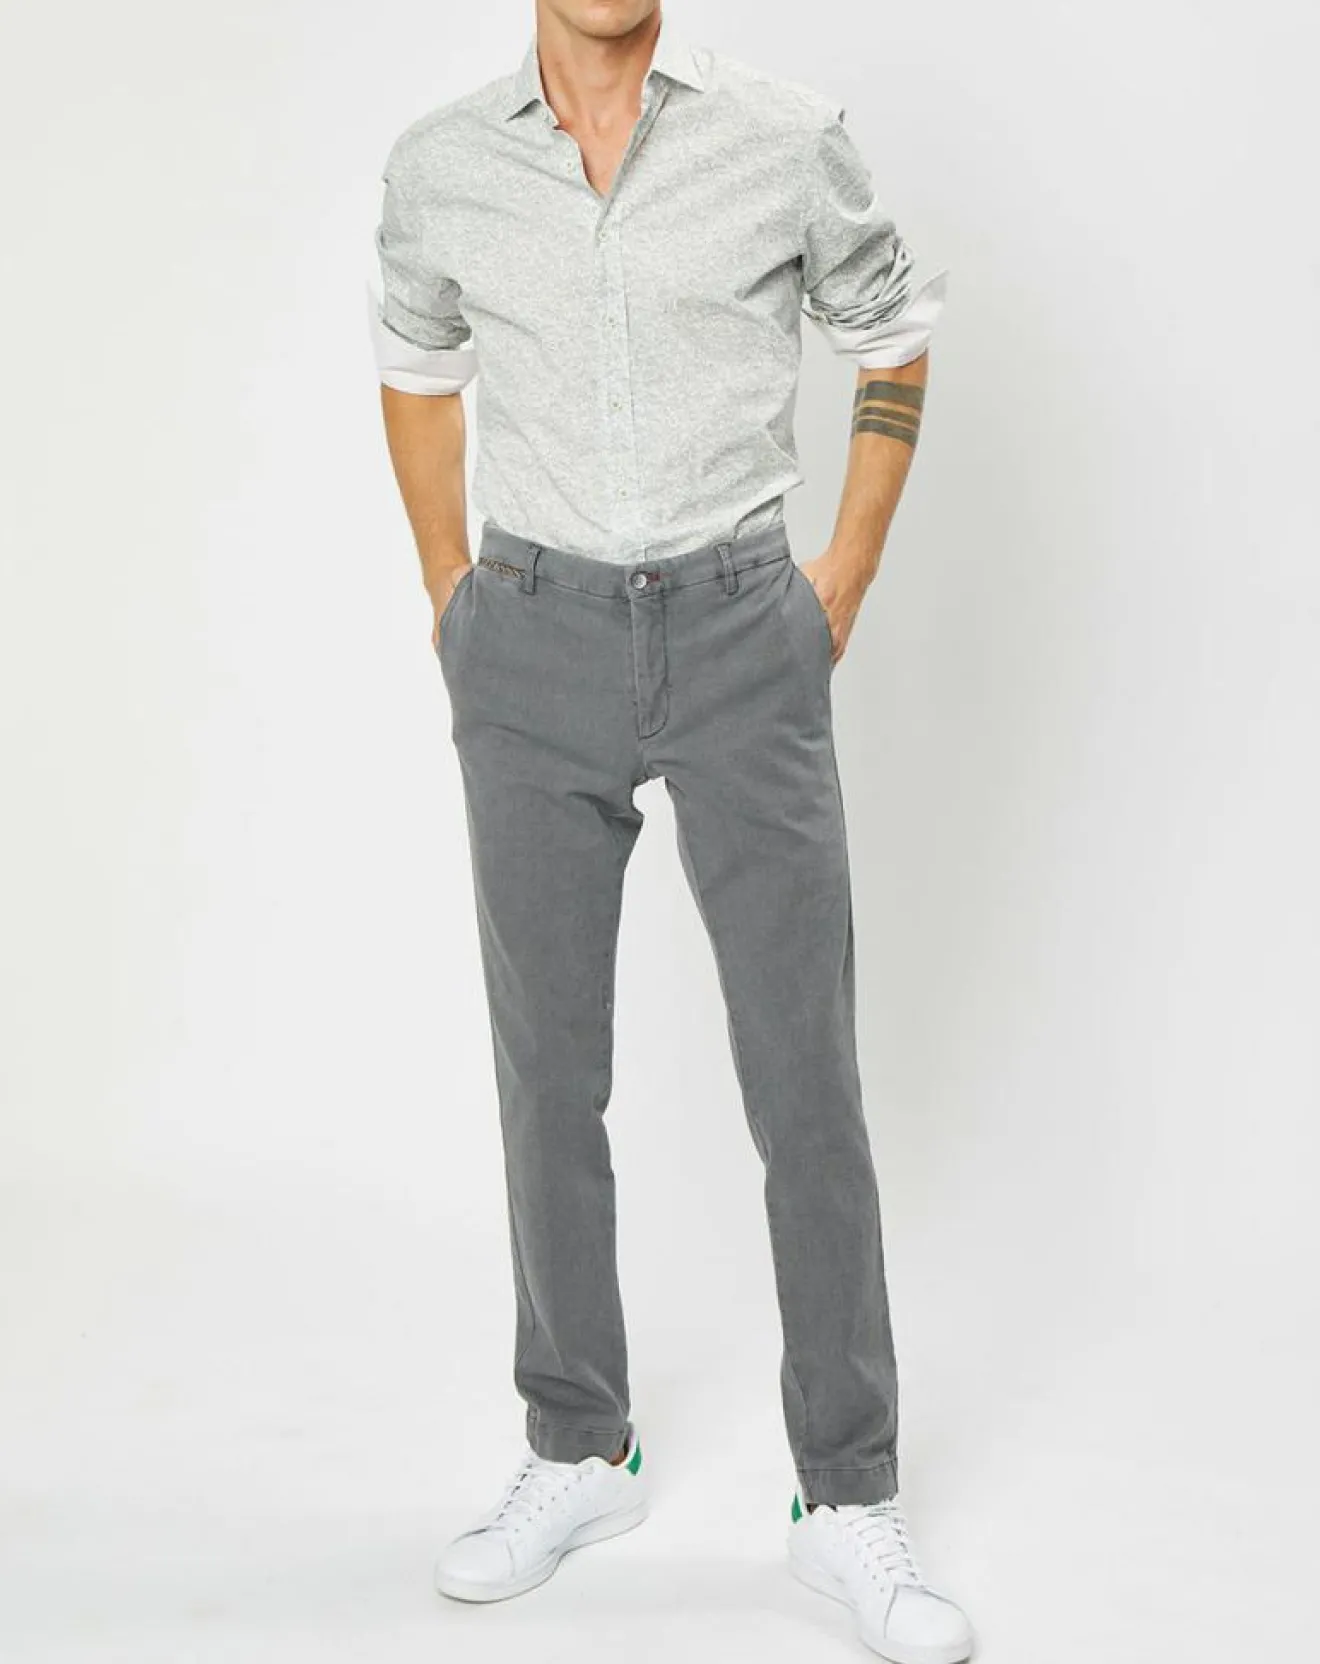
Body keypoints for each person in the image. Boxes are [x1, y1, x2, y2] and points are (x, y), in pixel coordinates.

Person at [369, 5, 973, 1659]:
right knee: (546, 1069)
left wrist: (840, 578)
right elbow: (416, 368)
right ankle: (581, 1446)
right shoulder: (443, 165)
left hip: (738, 630)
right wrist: (452, 598)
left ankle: (846, 1492)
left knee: (803, 1073)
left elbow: (893, 334)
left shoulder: (784, 135)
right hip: (530, 636)